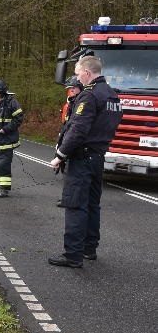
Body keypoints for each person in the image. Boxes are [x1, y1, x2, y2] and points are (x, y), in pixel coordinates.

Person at [48, 56, 122, 268]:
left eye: (79, 73)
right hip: (98, 156)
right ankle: (89, 248)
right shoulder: (112, 95)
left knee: (75, 204)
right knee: (92, 204)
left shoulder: (89, 96)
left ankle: (72, 255)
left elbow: (78, 129)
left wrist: (60, 155)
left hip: (82, 158)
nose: (77, 78)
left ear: (88, 73)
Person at [56, 76, 83, 208]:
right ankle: (67, 198)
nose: (70, 92)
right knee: (66, 172)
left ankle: (70, 200)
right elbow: (65, 125)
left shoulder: (81, 105)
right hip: (67, 140)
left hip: (76, 145)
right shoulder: (69, 105)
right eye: (69, 90)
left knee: (72, 174)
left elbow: (76, 128)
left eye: (73, 89)